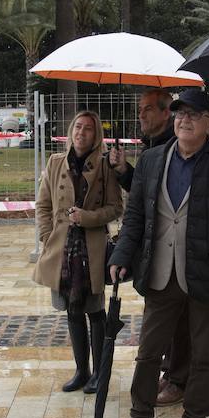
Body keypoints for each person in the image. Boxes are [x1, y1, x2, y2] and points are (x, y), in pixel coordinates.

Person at [104, 87, 209, 418]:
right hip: (159, 273)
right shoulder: (152, 160)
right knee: (148, 352)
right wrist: (121, 255)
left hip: (207, 278)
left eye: (193, 115)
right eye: (180, 114)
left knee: (204, 355)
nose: (184, 120)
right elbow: (136, 216)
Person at [109, 88, 189, 407]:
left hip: (176, 251)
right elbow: (145, 197)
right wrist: (124, 171)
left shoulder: (176, 145)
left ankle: (178, 378)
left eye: (147, 109)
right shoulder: (152, 146)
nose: (140, 114)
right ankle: (169, 374)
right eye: (140, 109)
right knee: (162, 319)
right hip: (153, 250)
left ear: (166, 112)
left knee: (178, 320)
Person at [34, 111, 125, 393]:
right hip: (62, 250)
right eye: (77, 127)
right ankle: (81, 371)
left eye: (87, 128)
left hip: (91, 250)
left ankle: (99, 373)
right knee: (72, 310)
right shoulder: (55, 162)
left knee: (95, 311)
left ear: (96, 135)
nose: (81, 133)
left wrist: (87, 218)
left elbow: (116, 208)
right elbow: (43, 204)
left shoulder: (104, 165)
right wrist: (46, 236)